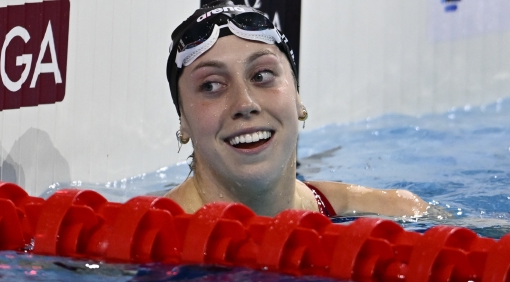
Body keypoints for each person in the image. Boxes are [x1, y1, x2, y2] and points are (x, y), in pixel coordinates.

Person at [164, 1, 429, 217]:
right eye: (211, 86)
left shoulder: (395, 212)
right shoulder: (145, 235)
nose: (245, 104)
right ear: (183, 120)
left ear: (298, 98)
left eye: (261, 75)